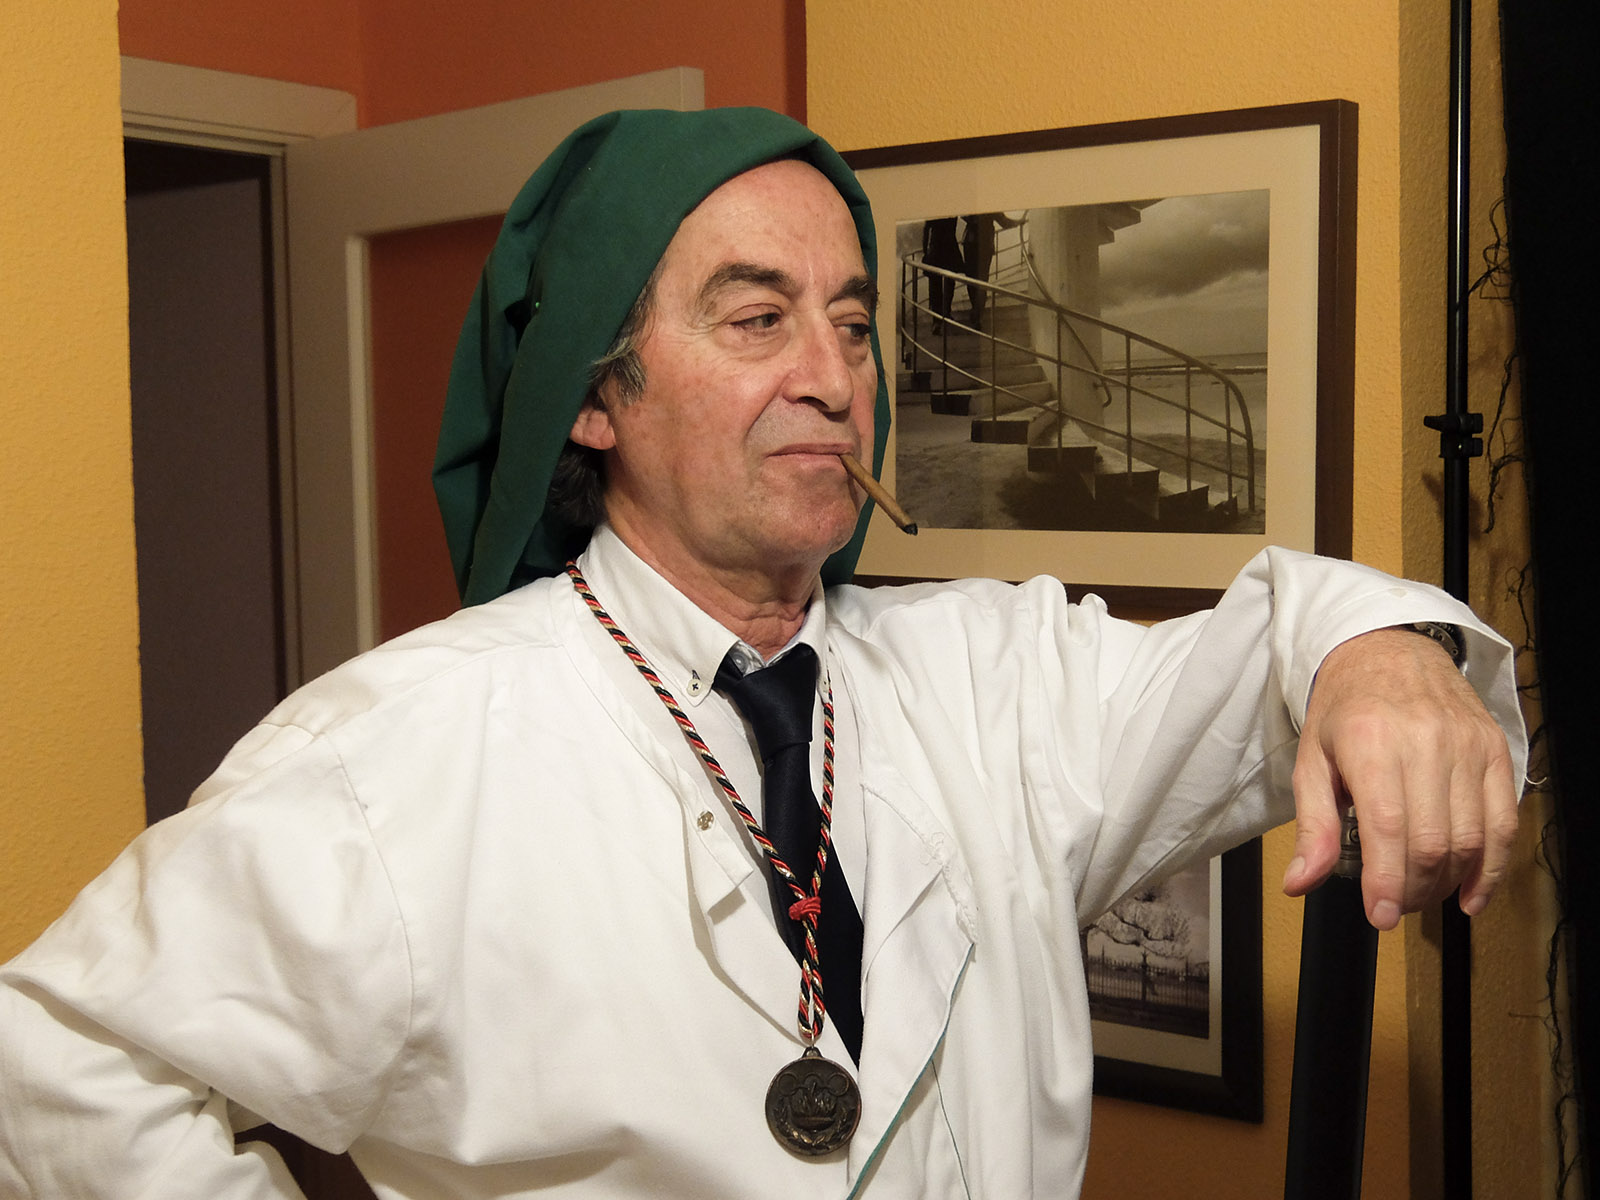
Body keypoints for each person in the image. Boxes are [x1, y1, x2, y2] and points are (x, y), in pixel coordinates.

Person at [0, 106, 1523, 1199]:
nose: (832, 378)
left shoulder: (1001, 677)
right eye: (755, 319)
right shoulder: (402, 753)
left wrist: (1381, 652)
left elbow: (1278, 646)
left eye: (851, 323)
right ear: (596, 397)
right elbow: (51, 1065)